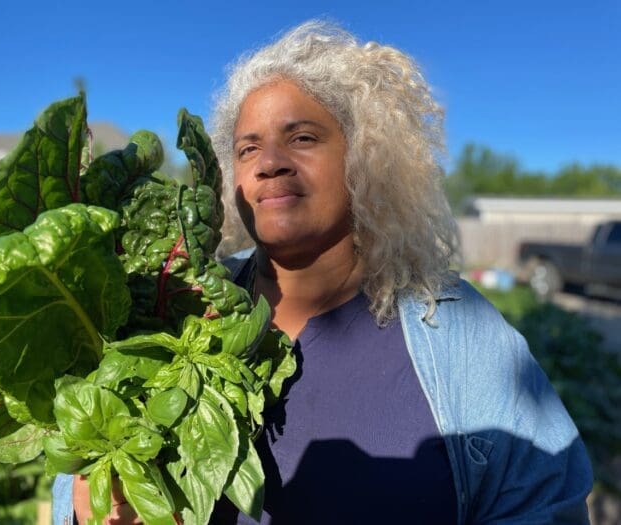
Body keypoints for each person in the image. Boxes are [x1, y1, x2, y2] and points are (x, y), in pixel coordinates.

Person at [53, 20, 593, 524]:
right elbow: (86, 458)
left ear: (364, 157)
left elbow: (547, 497)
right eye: (248, 148)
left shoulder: (459, 330)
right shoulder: (174, 305)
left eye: (303, 137)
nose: (270, 162)